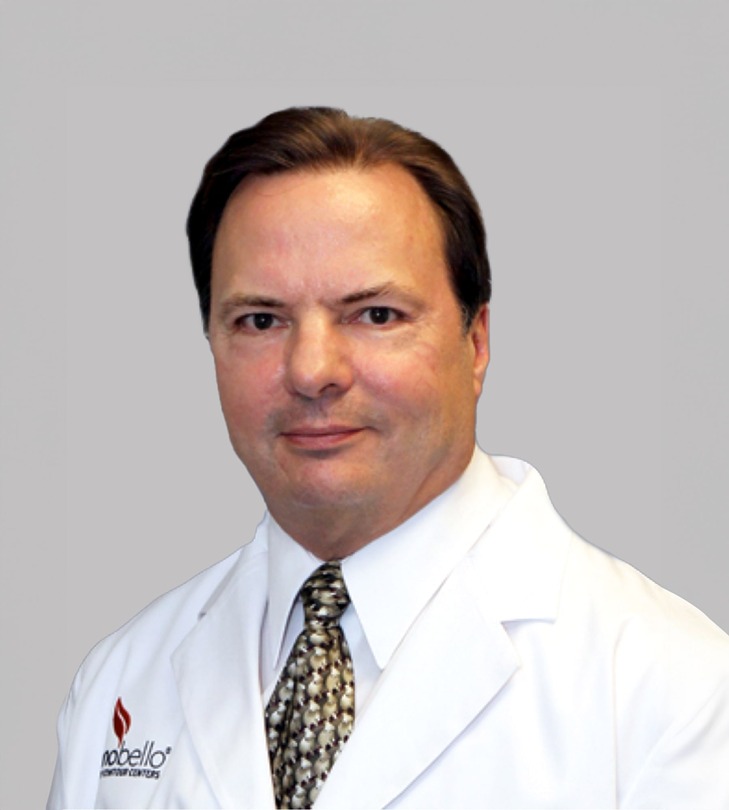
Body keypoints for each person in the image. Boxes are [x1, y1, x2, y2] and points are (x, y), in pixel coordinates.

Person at [48, 107, 729, 809]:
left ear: (477, 342)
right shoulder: (120, 683)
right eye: (260, 320)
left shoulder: (671, 691)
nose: (312, 370)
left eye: (375, 315)